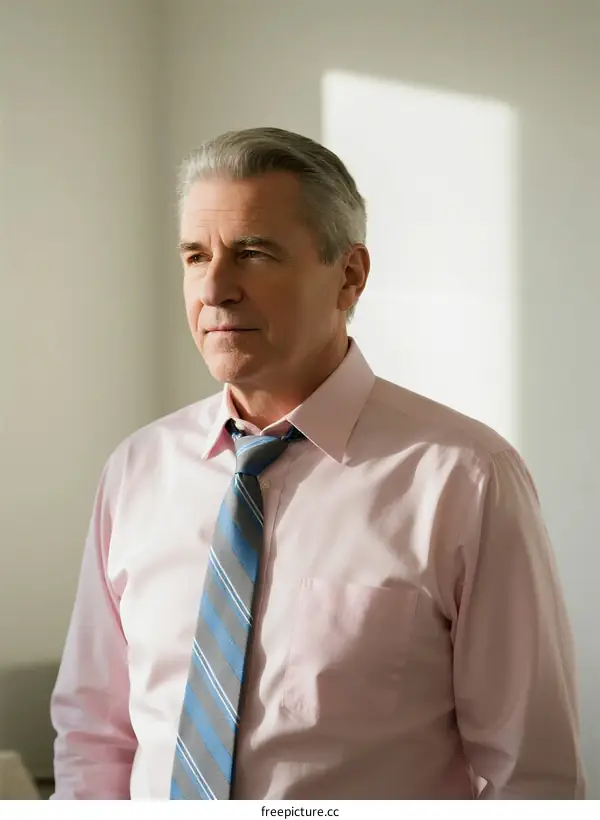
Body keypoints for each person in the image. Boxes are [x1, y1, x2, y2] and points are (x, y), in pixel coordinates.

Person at [50, 127, 585, 800]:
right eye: (195, 255)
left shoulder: (464, 478)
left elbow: (529, 775)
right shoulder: (137, 470)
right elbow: (94, 739)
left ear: (350, 275)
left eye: (253, 253)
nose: (215, 288)